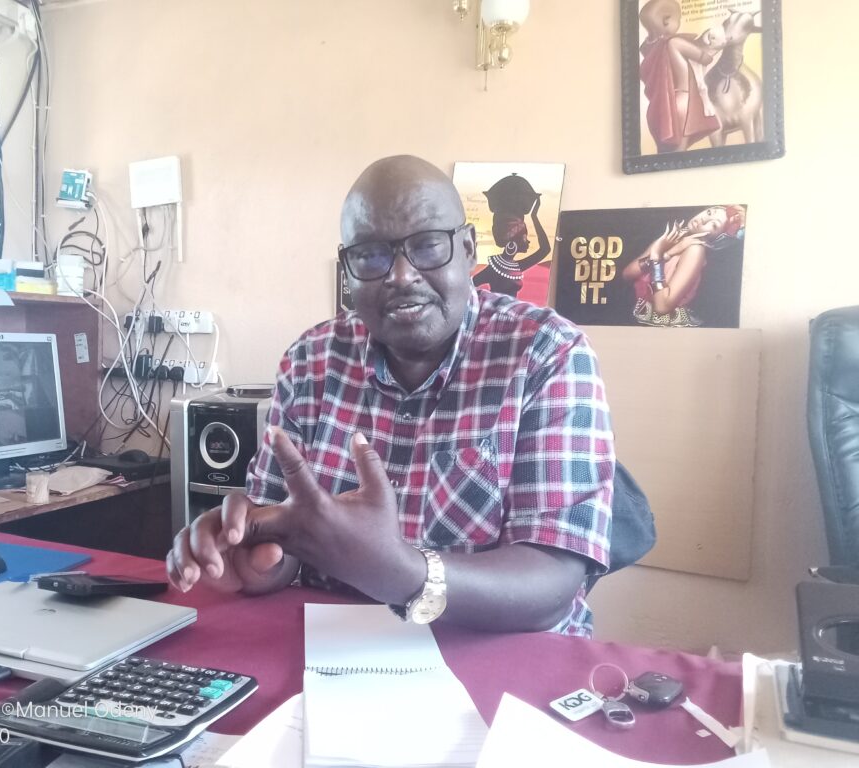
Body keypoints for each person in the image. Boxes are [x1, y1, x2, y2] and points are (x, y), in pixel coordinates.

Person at [167, 155, 615, 635]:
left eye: (427, 245)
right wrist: (251, 562)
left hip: (496, 654)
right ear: (348, 269)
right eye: (371, 255)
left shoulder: (547, 352)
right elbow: (283, 541)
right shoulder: (311, 360)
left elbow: (552, 585)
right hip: (337, 649)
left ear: (467, 249)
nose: (400, 275)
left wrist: (401, 572)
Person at [621, 205, 746, 328]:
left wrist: (657, 257)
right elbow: (627, 274)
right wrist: (667, 253)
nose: (704, 219)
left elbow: (662, 307)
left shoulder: (695, 250)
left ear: (718, 239)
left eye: (714, 225)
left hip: (663, 326)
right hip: (638, 313)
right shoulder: (676, 236)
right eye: (709, 213)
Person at [638, 0, 719, 153]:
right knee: (678, 155)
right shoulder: (675, 42)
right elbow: (706, 59)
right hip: (680, 104)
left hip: (656, 109)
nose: (679, 22)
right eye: (678, 19)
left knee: (664, 155)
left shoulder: (647, 48)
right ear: (666, 20)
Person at [470, 173, 550, 299]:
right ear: (512, 243)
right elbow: (468, 287)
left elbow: (545, 249)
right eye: (525, 237)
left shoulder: (514, 266)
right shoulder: (494, 269)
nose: (528, 241)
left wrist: (534, 216)